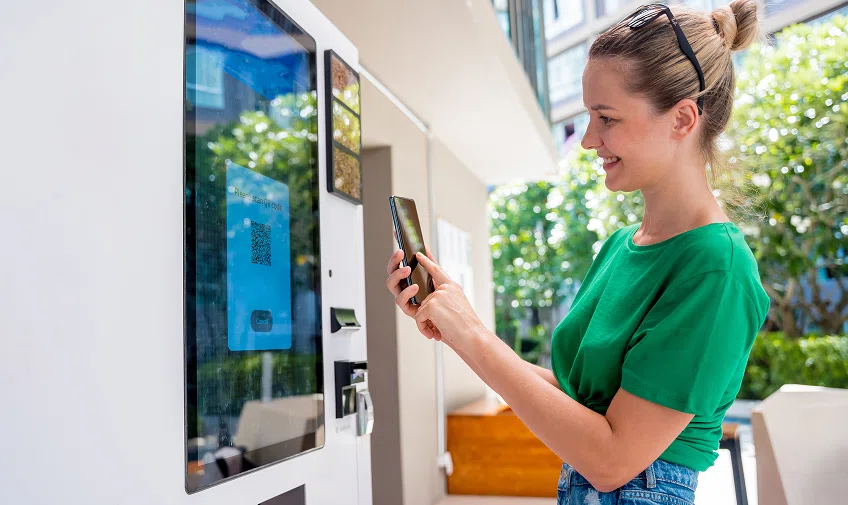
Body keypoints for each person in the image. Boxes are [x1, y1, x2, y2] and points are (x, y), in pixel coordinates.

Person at [385, 0, 770, 503]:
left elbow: (612, 460)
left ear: (682, 119)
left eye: (606, 117)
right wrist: (460, 329)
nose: (588, 140)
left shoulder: (716, 268)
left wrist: (475, 336)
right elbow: (580, 403)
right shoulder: (619, 247)